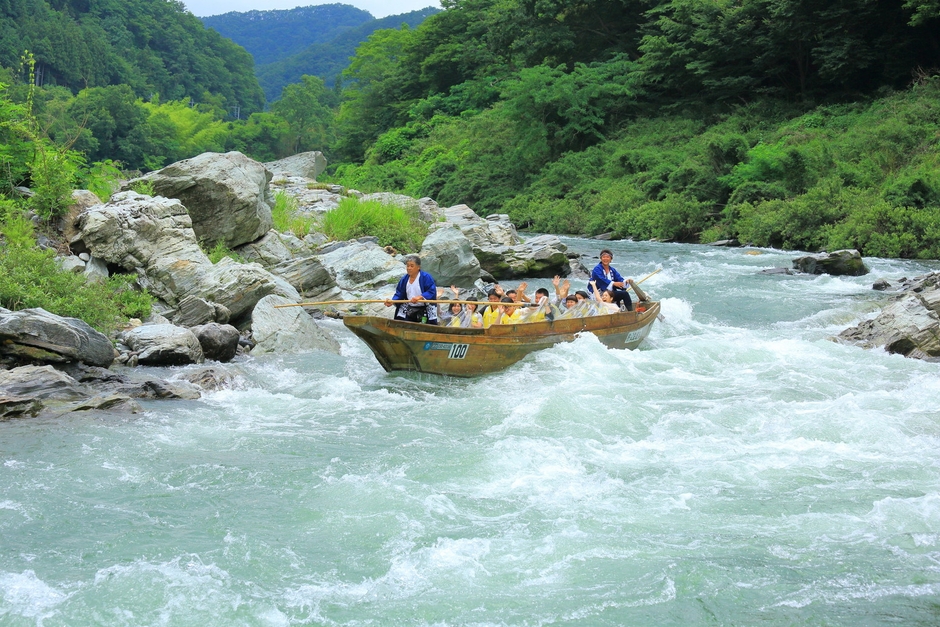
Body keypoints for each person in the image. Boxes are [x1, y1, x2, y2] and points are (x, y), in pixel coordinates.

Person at [385, 255, 438, 324]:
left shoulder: (426, 277)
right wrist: (392, 301)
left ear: (418, 267)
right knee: (401, 322)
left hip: (424, 307)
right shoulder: (404, 279)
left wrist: (420, 297)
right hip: (409, 307)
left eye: (412, 266)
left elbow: (431, 291)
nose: (409, 268)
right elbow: (399, 293)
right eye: (407, 266)